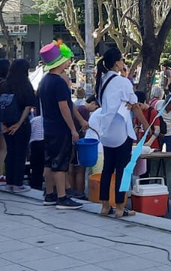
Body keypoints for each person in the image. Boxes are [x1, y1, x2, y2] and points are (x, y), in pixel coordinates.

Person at [92, 47, 147, 218]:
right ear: (117, 63)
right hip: (121, 130)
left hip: (106, 131)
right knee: (123, 170)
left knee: (108, 168)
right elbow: (136, 105)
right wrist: (146, 125)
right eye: (122, 60)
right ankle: (120, 208)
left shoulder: (101, 81)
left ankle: (104, 206)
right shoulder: (123, 82)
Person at [37, 41, 87, 209]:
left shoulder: (45, 81)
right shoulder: (59, 82)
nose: (68, 62)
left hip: (48, 125)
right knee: (60, 163)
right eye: (66, 59)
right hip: (60, 127)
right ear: (60, 62)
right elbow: (64, 106)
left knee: (49, 162)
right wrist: (73, 129)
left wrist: (80, 120)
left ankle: (49, 194)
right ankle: (62, 197)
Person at [0, 58, 37, 193]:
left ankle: (9, 182)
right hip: (21, 123)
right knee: (20, 153)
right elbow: (29, 105)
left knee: (10, 152)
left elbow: (0, 105)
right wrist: (19, 123)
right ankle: (18, 183)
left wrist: (2, 123)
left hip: (6, 123)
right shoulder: (25, 85)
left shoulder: (4, 85)